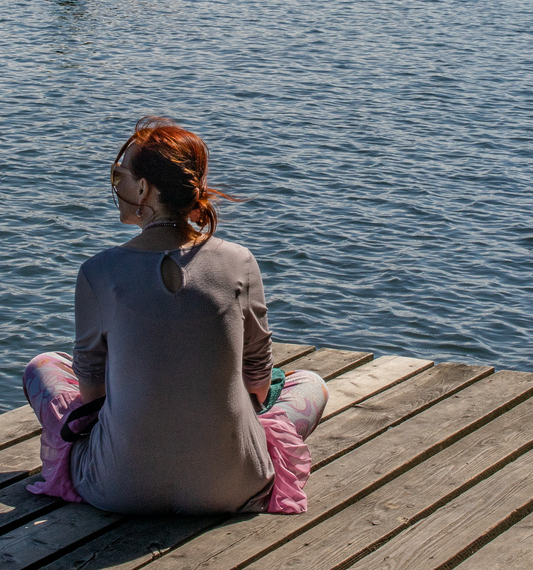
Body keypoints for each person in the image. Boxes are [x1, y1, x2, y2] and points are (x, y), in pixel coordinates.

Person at [23, 118, 328, 515]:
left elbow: (92, 394)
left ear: (144, 188)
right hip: (233, 483)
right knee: (311, 383)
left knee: (42, 366)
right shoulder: (239, 261)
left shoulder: (98, 272)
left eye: (119, 176)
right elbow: (256, 380)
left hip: (117, 486)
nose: (116, 186)